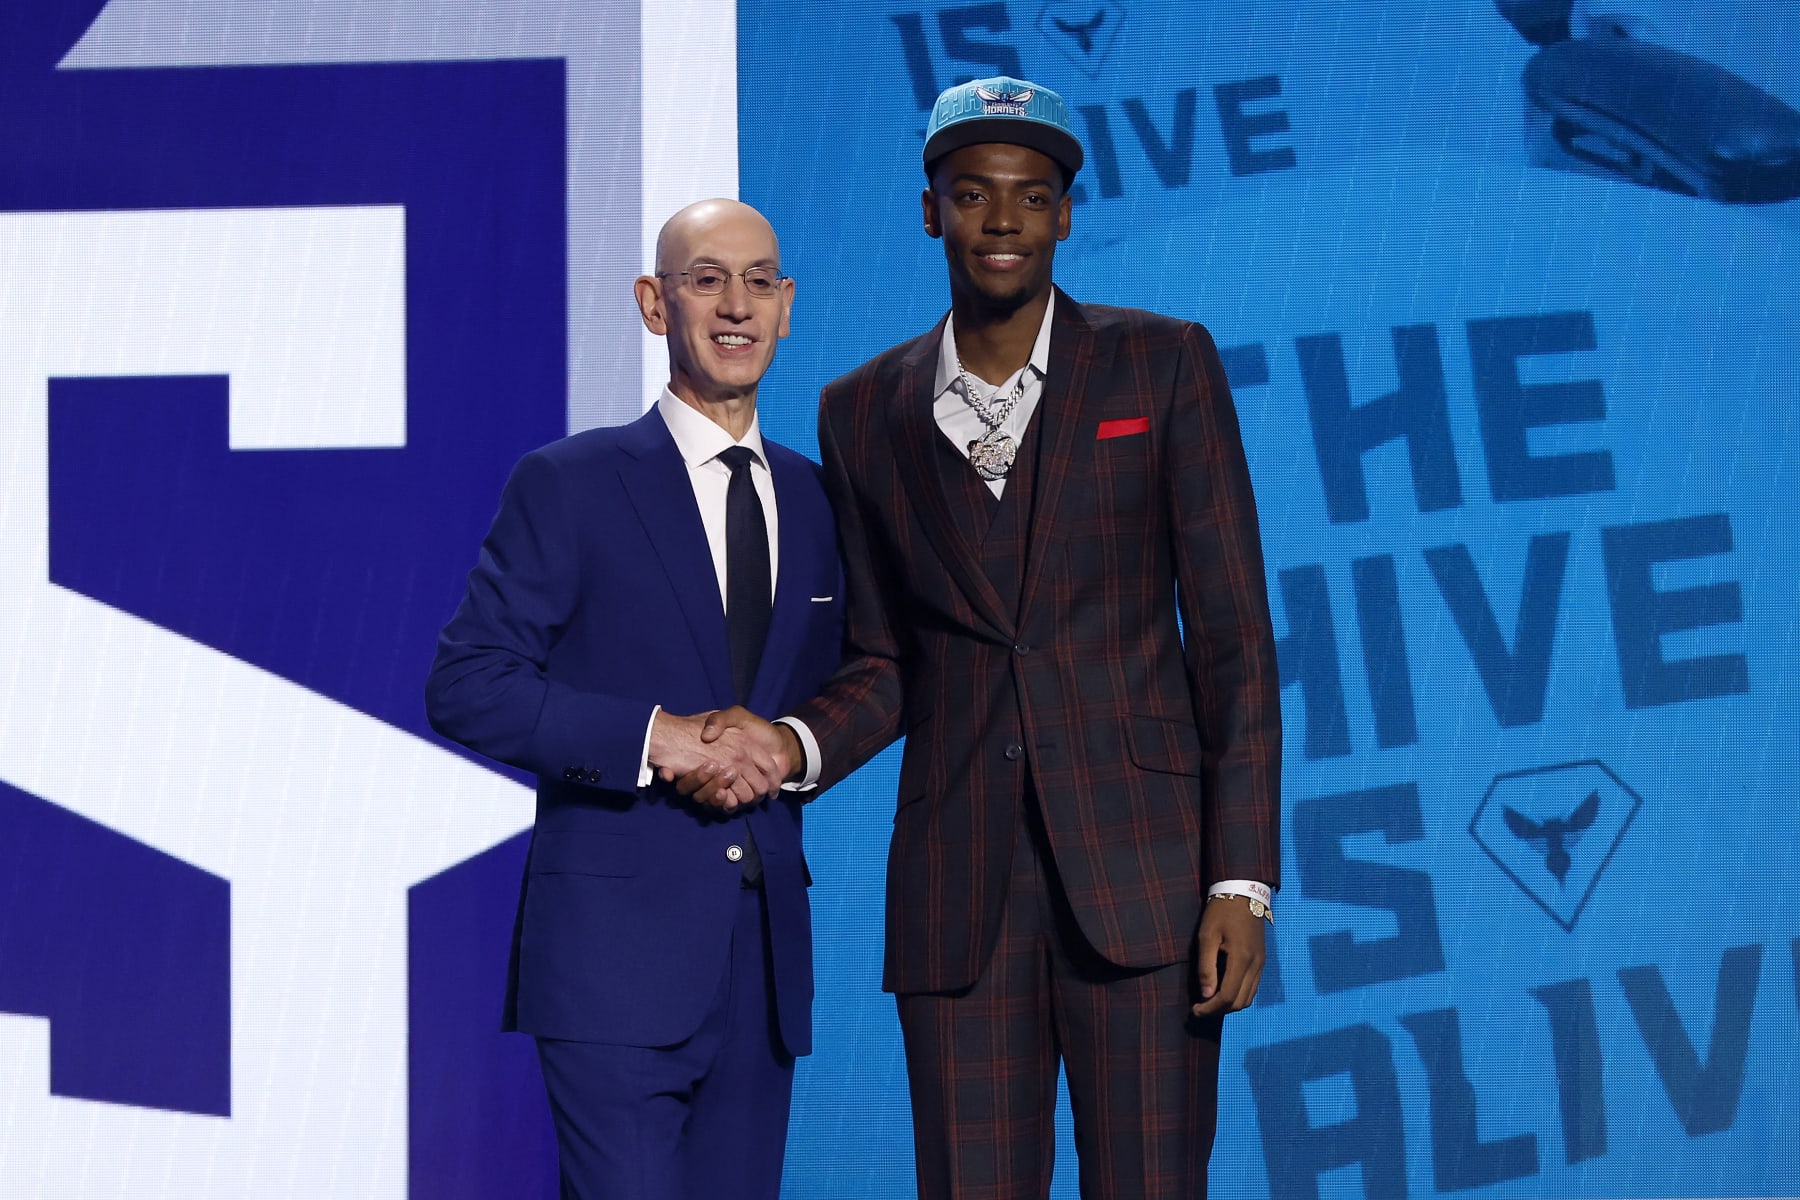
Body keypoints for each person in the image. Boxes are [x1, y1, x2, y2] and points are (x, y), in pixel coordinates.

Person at [684, 78, 1281, 1198]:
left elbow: (1236, 641)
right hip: (958, 897)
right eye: (971, 195)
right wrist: (788, 747)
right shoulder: (861, 409)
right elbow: (884, 657)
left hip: (1147, 885)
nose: (1000, 221)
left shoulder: (1163, 365)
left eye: (1029, 197)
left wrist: (1241, 882)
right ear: (930, 213)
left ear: (1064, 214)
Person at [424, 198, 841, 1200]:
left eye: (757, 281)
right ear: (656, 305)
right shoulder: (568, 483)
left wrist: (794, 744)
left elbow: (875, 676)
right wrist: (656, 739)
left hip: (762, 962)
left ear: (786, 307)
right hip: (610, 963)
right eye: (705, 279)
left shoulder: (823, 497)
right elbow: (467, 682)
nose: (734, 305)